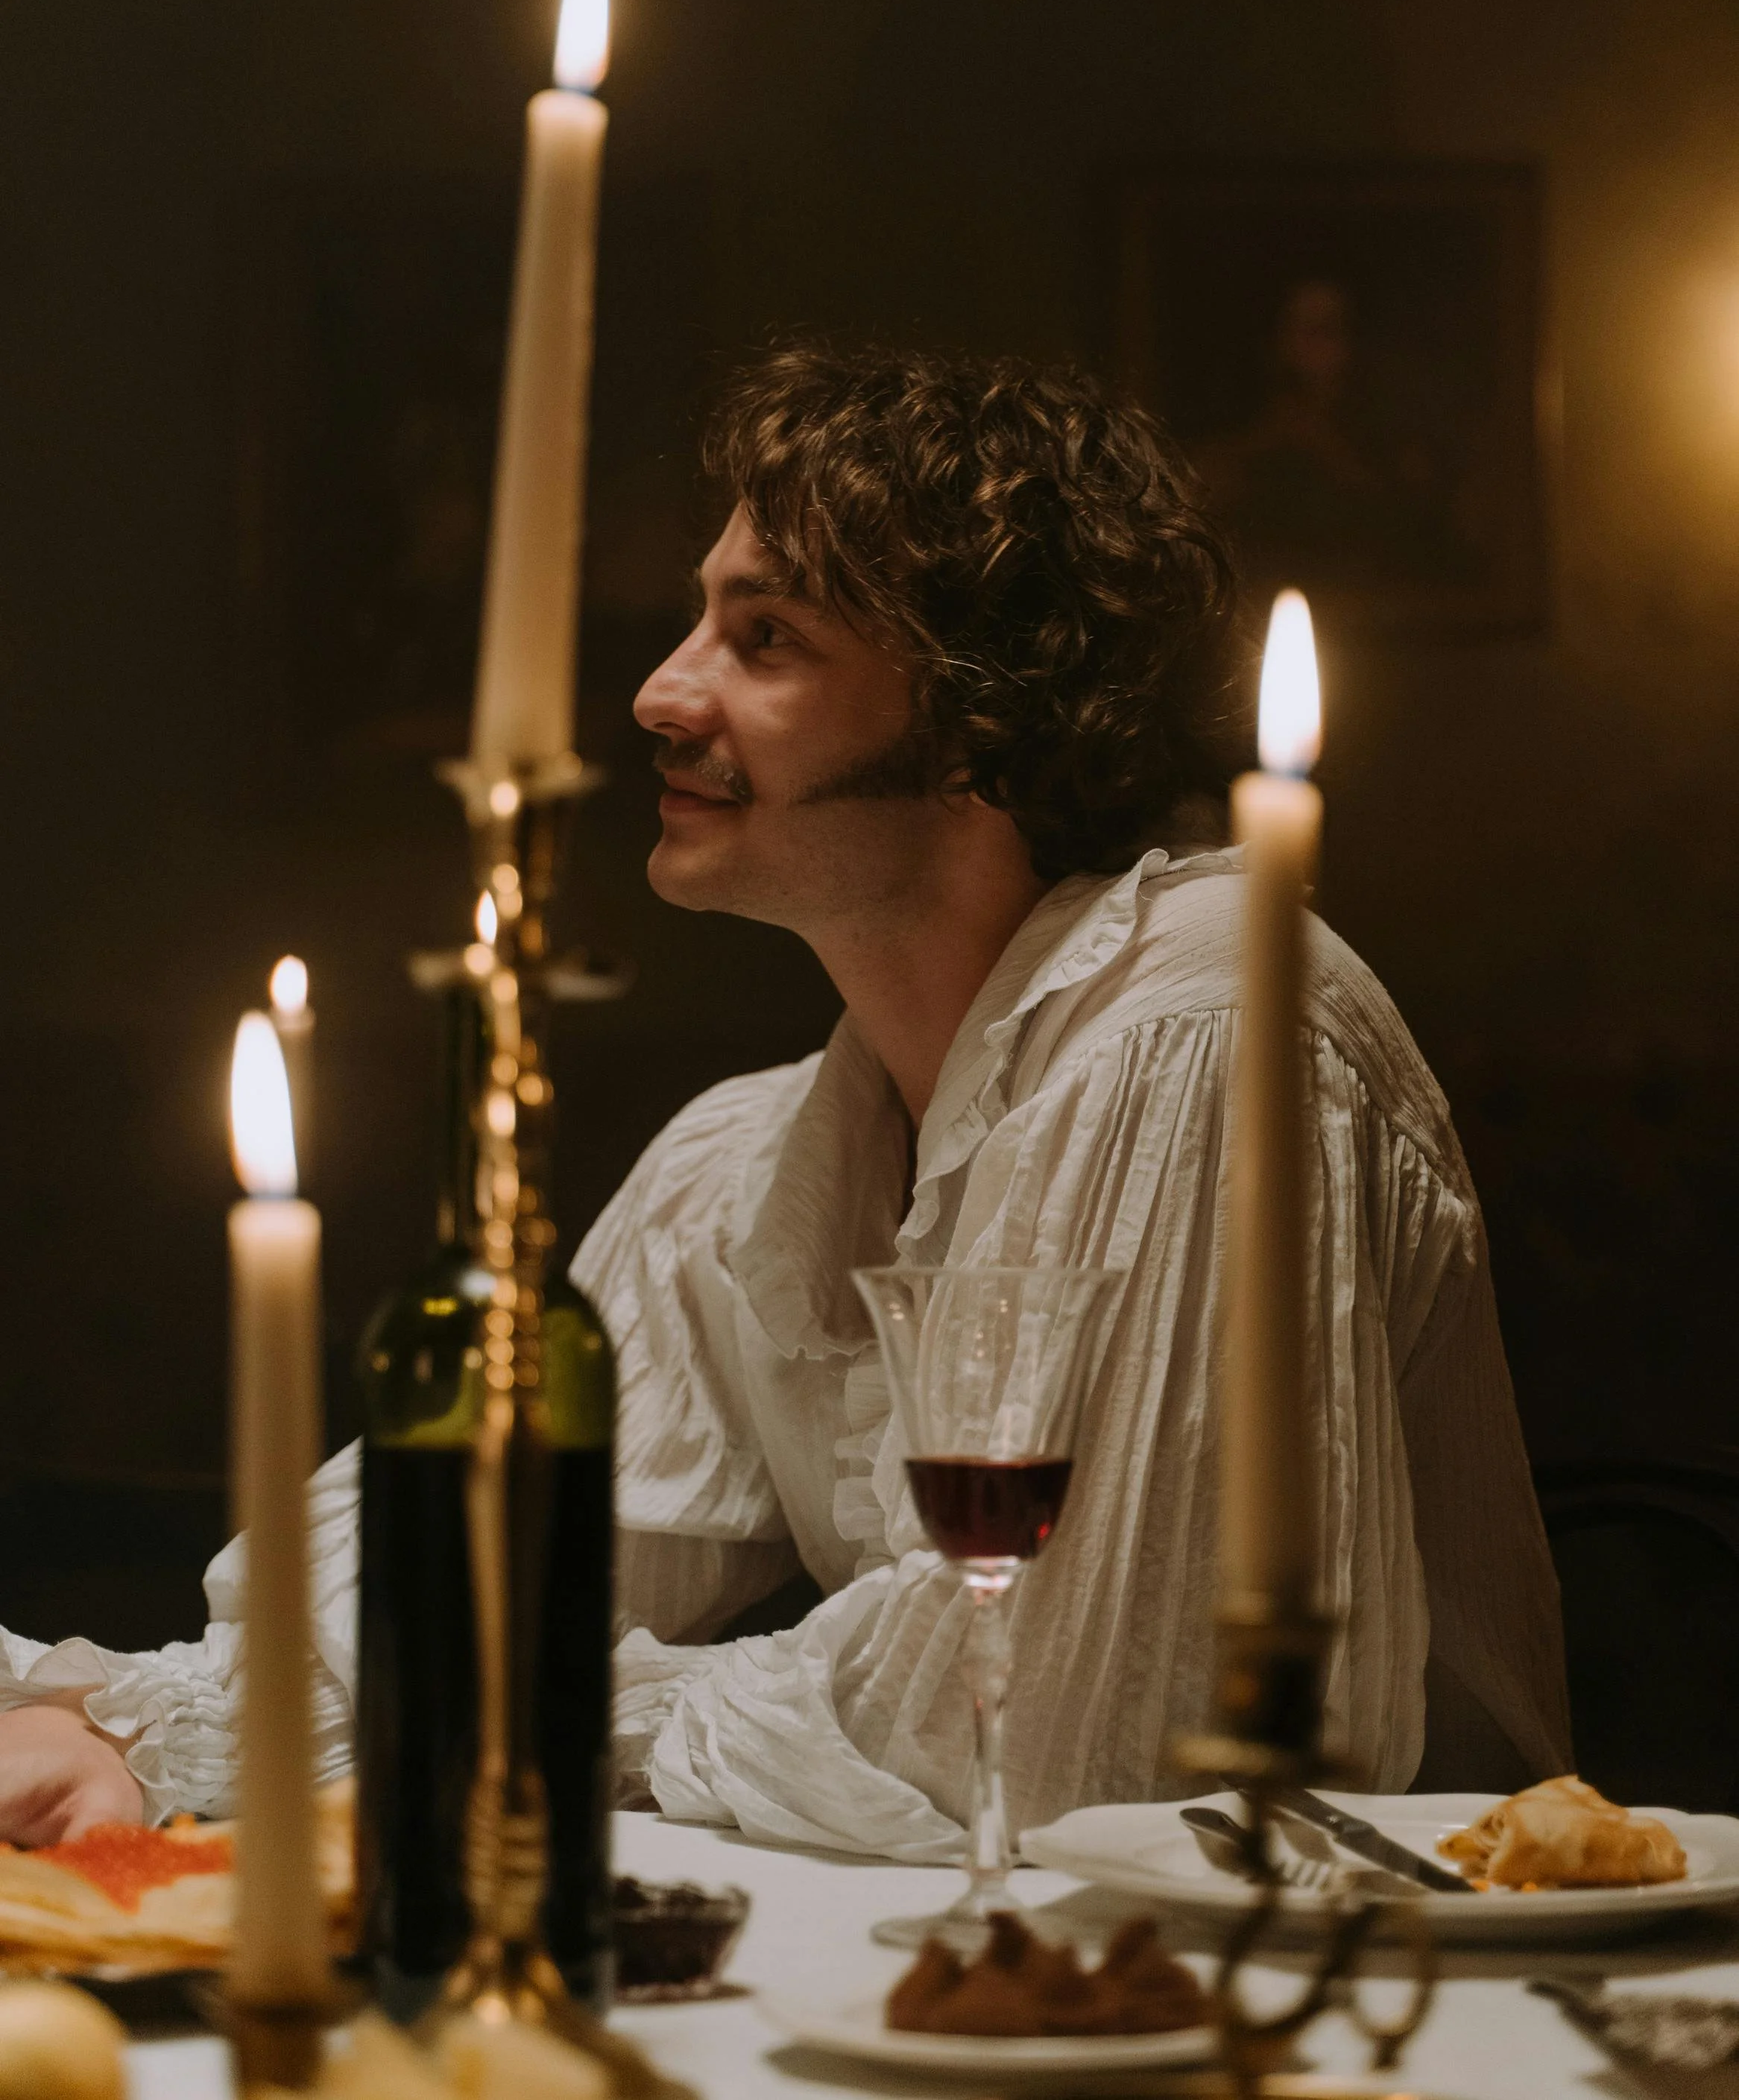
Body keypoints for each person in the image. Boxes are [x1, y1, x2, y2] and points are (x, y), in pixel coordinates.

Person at [0, 348, 1570, 1852]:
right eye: (700, 621)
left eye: (766, 641)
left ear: (978, 715)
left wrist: (539, 1707)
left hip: (1367, 2008)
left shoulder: (1208, 1025)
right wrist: (138, 1729)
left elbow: (1064, 1736)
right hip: (992, 1972)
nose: (657, 693)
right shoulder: (753, 1161)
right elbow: (463, 1568)